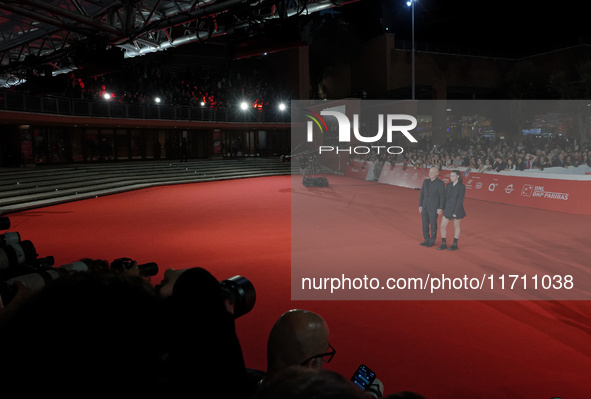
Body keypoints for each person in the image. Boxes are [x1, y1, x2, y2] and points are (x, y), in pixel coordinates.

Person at [438, 170, 466, 251]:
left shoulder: (462, 187)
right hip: (448, 208)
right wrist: (441, 208)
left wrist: (455, 212)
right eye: (450, 176)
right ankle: (443, 243)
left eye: (453, 176)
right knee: (442, 226)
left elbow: (460, 200)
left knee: (456, 226)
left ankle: (455, 244)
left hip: (457, 209)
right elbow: (445, 197)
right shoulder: (449, 185)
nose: (451, 177)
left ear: (458, 176)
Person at [418, 167, 445, 248]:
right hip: (425, 206)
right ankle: (426, 239)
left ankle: (432, 240)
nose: (430, 174)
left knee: (433, 225)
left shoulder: (440, 183)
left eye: (432, 172)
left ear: (437, 174)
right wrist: (420, 205)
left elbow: (442, 197)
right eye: (429, 172)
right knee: (424, 224)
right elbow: (422, 194)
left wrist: (440, 208)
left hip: (434, 207)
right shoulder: (426, 181)